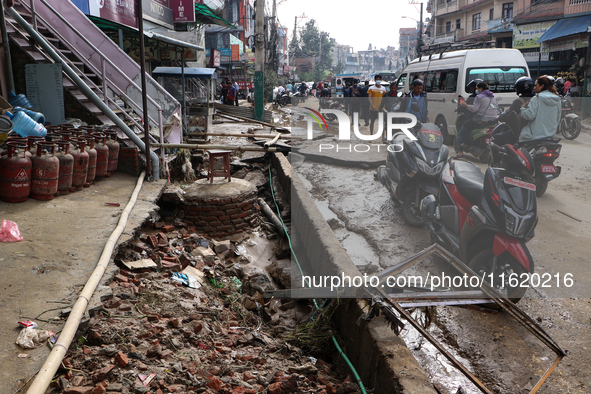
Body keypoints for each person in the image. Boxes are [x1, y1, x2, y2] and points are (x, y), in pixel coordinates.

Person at [454, 81, 498, 158]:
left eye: (477, 88)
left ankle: (461, 150)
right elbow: (495, 107)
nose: (476, 90)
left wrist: (466, 106)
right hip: (492, 119)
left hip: (481, 119)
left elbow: (474, 109)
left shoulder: (478, 96)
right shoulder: (493, 96)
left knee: (465, 126)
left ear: (481, 89)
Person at [518, 75, 561, 142]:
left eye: (536, 85)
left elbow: (529, 115)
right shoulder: (557, 99)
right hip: (551, 135)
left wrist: (523, 109)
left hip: (534, 136)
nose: (534, 88)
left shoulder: (536, 98)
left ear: (542, 86)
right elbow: (558, 118)